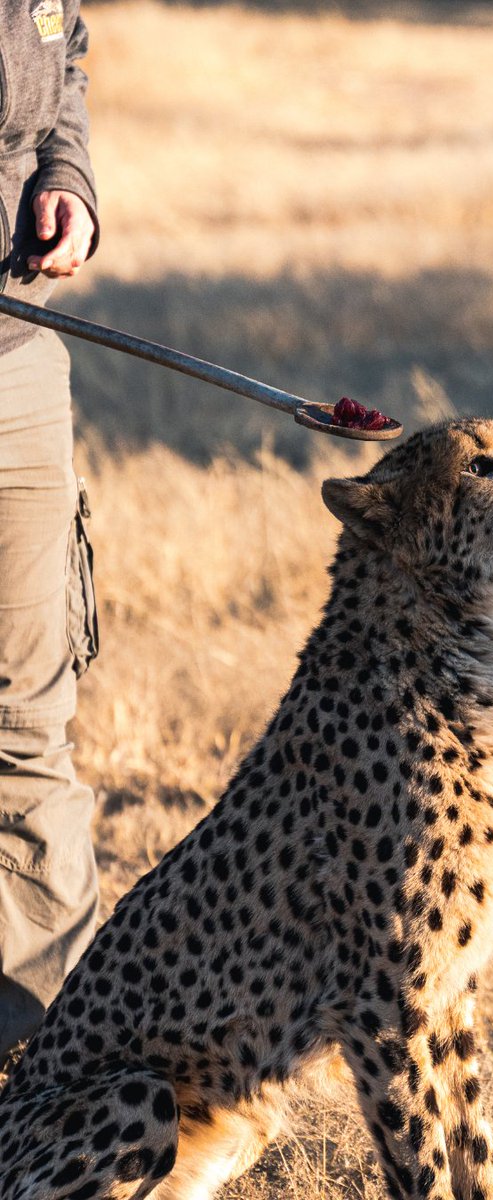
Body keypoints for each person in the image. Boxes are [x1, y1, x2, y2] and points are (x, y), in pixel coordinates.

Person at [0, 0, 100, 1062]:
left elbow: (62, 58)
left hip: (16, 360)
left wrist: (64, 181)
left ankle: (50, 1069)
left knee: (27, 725)